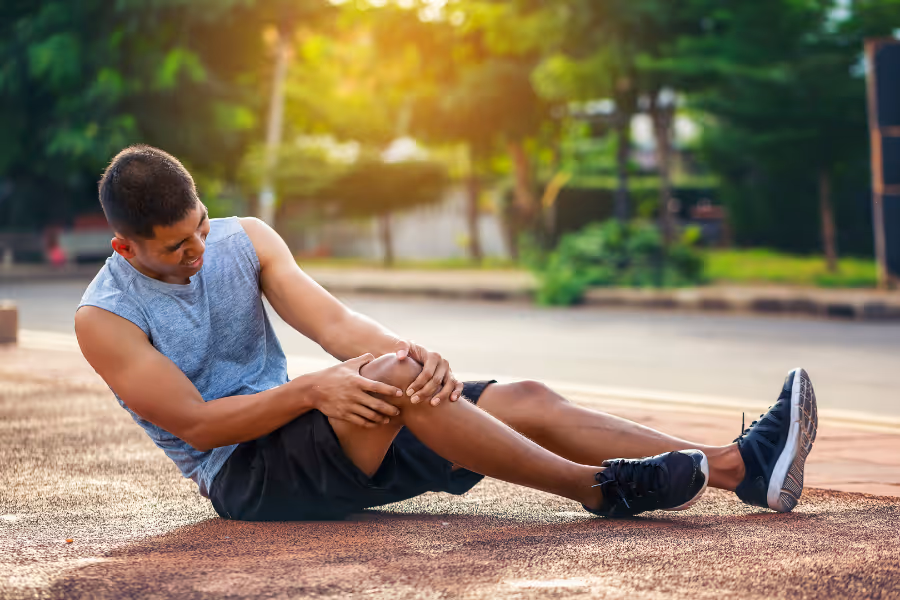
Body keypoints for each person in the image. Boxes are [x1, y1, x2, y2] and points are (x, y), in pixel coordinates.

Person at [75, 145, 818, 521]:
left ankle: (738, 470)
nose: (199, 251)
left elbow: (335, 323)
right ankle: (598, 490)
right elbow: (200, 428)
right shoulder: (104, 318)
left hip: (328, 430)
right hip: (248, 476)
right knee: (391, 382)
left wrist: (411, 354)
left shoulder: (247, 239)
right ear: (127, 247)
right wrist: (312, 391)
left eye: (200, 226)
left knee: (516, 394)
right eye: (177, 247)